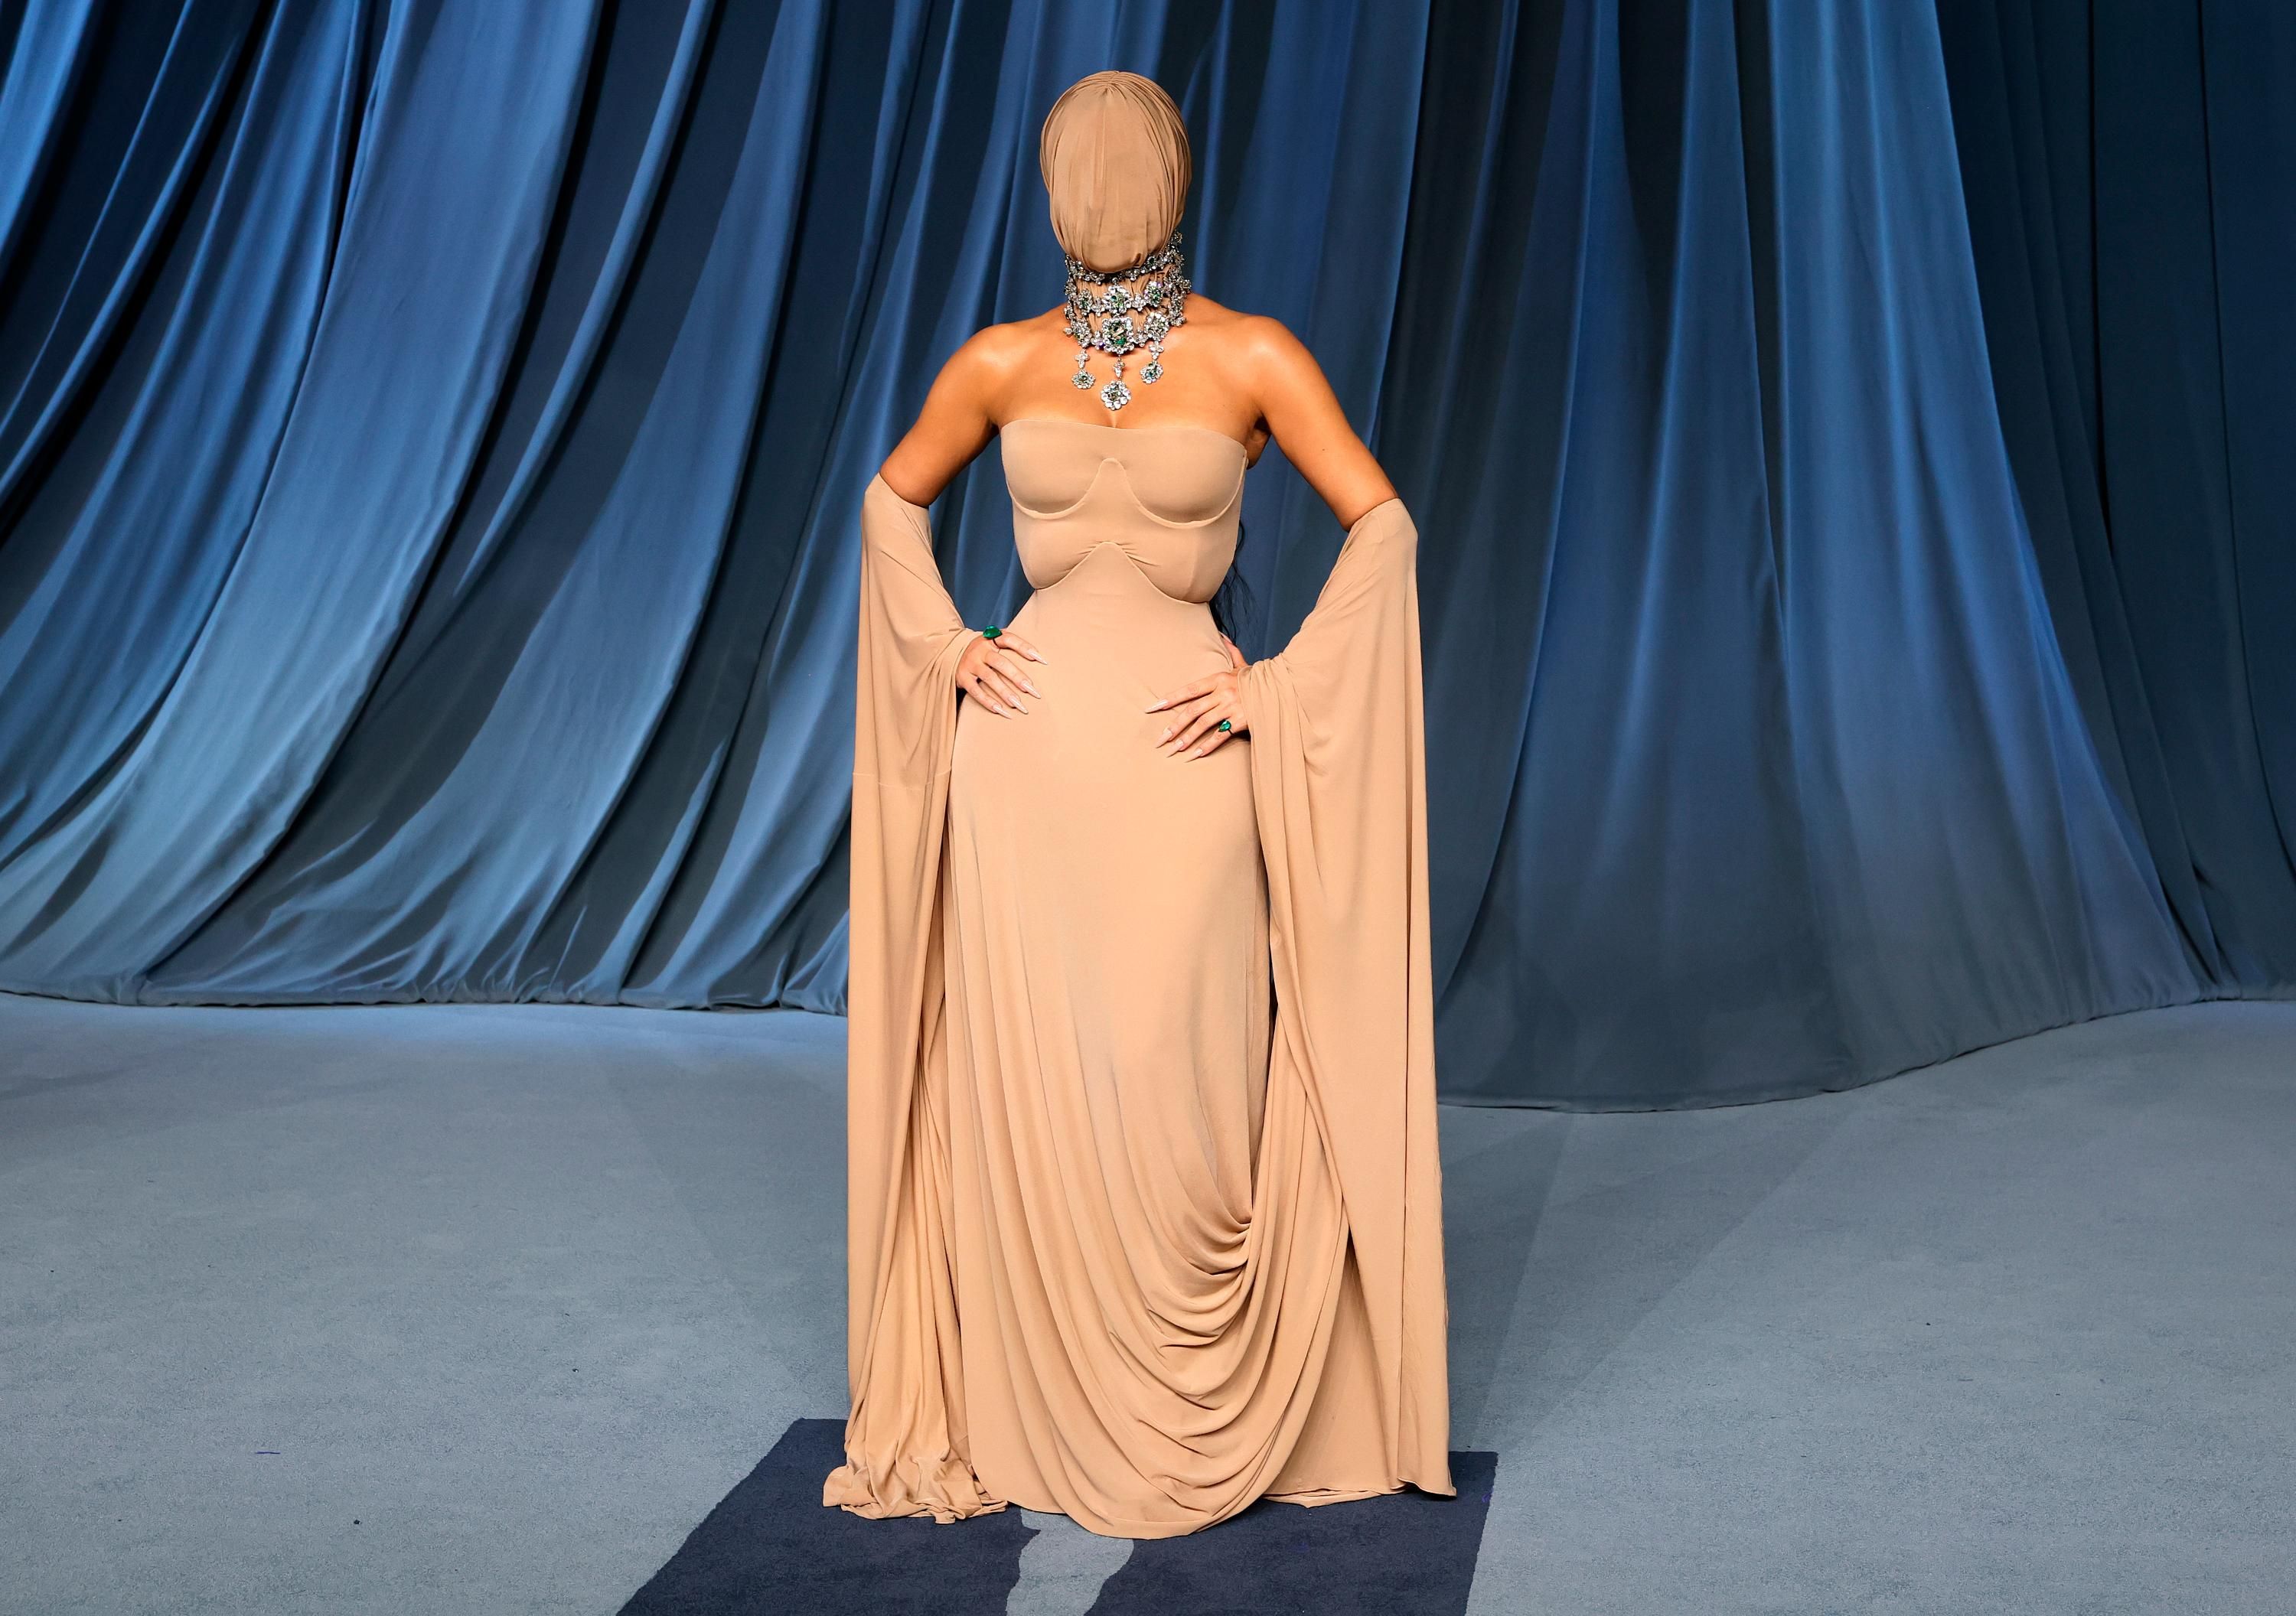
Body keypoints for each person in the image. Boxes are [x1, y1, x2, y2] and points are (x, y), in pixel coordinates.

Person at [824, 68, 1452, 1539]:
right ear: (1053, 188)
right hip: (1022, 771)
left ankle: (1182, 1385)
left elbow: (1383, 524)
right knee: (1036, 1077)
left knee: (1179, 1071)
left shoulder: (1252, 354)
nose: (1102, 191)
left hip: (1187, 768)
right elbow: (889, 502)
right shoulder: (999, 361)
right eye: (1081, 168)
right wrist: (946, 647)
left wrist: (1282, 688)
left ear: (1171, 178)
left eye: (1125, 166)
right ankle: (1038, 1394)